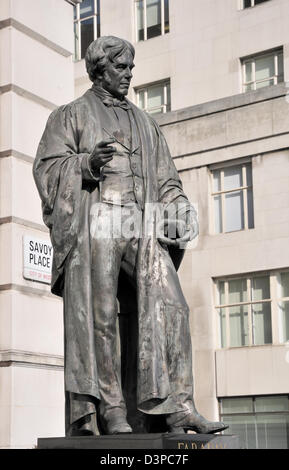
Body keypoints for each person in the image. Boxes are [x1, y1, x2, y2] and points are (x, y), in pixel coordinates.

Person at [33, 36, 228, 436]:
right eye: (121, 68)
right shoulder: (70, 116)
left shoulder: (146, 123)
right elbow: (48, 169)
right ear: (100, 69)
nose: (129, 74)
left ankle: (177, 407)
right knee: (101, 315)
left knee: (172, 304)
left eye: (130, 68)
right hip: (97, 221)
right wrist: (86, 163)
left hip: (143, 222)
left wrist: (179, 209)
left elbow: (167, 180)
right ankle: (112, 411)